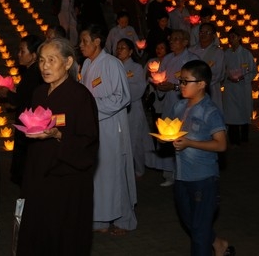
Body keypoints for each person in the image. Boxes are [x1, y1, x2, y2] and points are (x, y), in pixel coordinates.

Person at [16, 38, 99, 255]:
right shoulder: (39, 94)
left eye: (52, 60)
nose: (45, 66)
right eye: (42, 60)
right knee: (37, 234)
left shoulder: (80, 96)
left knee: (64, 237)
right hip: (38, 177)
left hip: (66, 181)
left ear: (68, 62)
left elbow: (88, 141)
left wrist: (59, 134)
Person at [169, 60, 234, 256]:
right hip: (181, 175)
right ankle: (218, 244)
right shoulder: (179, 107)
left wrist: (190, 143)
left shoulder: (210, 111)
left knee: (198, 234)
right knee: (192, 223)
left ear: (201, 84)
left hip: (203, 179)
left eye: (185, 81)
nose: (181, 85)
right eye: (180, 80)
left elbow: (221, 144)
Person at [79, 24, 137, 235]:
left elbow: (121, 97)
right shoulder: (85, 64)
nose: (81, 45)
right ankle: (100, 219)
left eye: (85, 41)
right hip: (93, 127)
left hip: (111, 128)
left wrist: (91, 107)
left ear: (97, 42)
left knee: (115, 173)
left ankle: (124, 220)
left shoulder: (112, 64)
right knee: (98, 174)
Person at [151, 29, 199, 187]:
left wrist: (175, 87)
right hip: (169, 103)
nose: (172, 42)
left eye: (177, 39)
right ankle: (169, 173)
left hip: (186, 104)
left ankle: (187, 173)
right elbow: (160, 77)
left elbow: (195, 83)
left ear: (186, 42)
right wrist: (160, 85)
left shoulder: (192, 59)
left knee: (185, 137)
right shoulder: (167, 59)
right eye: (171, 39)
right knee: (169, 137)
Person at [0, 35, 44, 186]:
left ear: (34, 55)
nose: (18, 54)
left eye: (22, 51)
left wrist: (7, 94)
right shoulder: (30, 72)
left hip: (30, 126)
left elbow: (25, 99)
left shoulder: (34, 73)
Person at [115, 38, 154, 178]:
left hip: (133, 106)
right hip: (117, 109)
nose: (119, 50)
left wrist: (123, 92)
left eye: (123, 48)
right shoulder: (114, 66)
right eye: (118, 48)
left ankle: (139, 168)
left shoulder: (136, 68)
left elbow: (140, 87)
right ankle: (124, 168)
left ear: (131, 51)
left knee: (135, 138)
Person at [222, 28, 256, 147]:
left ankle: (244, 137)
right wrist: (227, 77)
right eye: (230, 37)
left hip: (243, 88)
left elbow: (252, 71)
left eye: (234, 37)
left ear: (239, 38)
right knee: (231, 114)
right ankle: (234, 139)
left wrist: (243, 78)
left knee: (244, 111)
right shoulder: (226, 54)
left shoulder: (246, 54)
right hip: (230, 87)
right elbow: (223, 70)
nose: (232, 39)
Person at [190, 22, 225, 113]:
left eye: (207, 32)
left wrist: (201, 84)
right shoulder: (191, 50)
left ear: (213, 35)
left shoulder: (218, 52)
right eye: (201, 32)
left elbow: (219, 74)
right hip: (192, 90)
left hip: (211, 89)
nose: (203, 34)